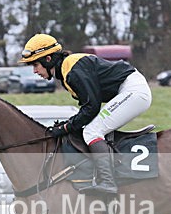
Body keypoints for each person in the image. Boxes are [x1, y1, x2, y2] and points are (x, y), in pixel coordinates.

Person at [18, 33, 152, 195]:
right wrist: (67, 125)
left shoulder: (72, 71)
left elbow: (91, 108)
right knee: (93, 127)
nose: (34, 71)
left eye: (35, 65)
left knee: (92, 131)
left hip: (133, 90)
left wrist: (65, 128)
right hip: (129, 89)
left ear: (48, 59)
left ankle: (108, 182)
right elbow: (87, 110)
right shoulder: (67, 70)